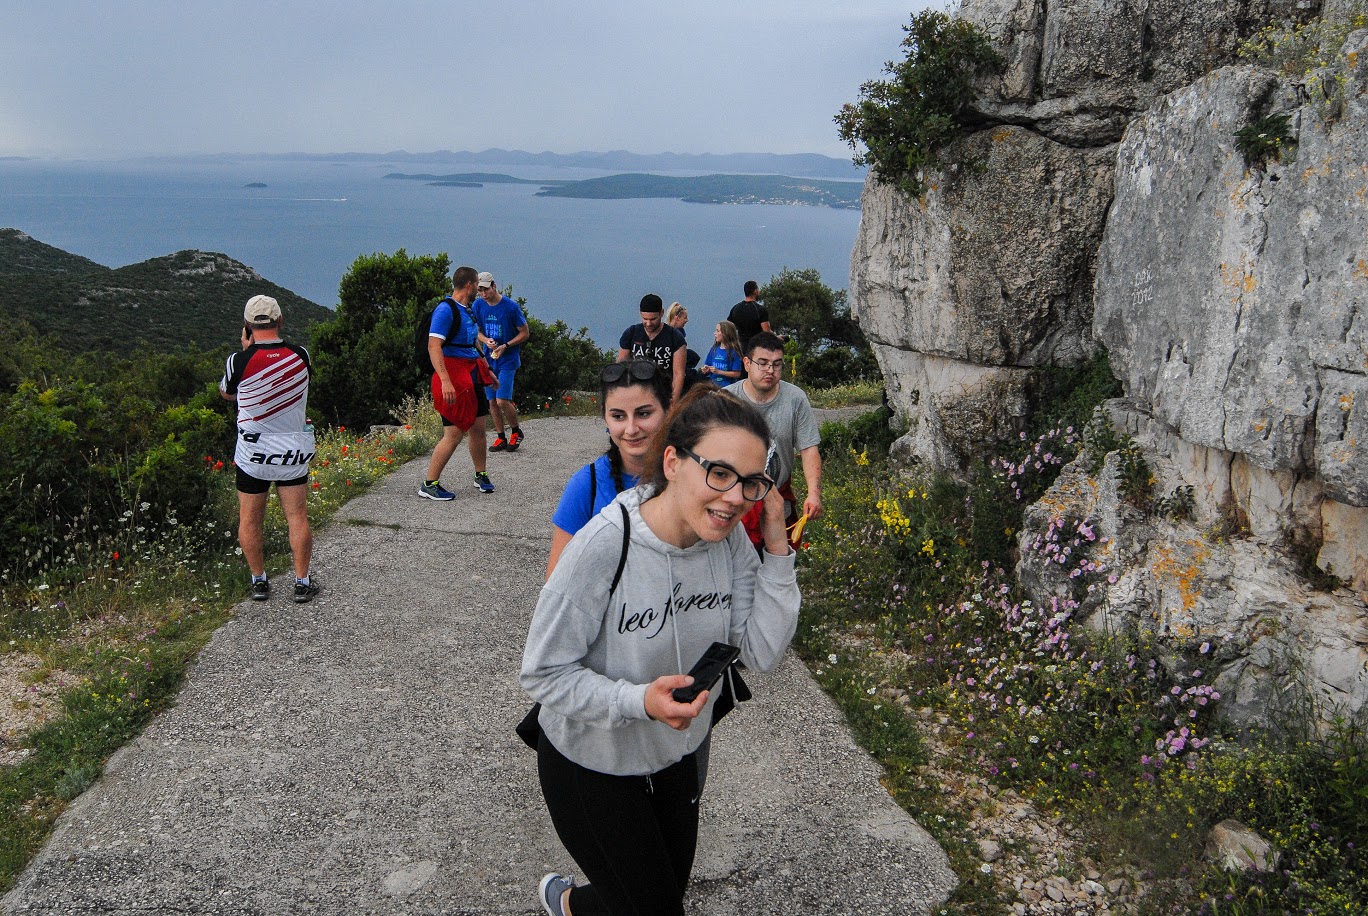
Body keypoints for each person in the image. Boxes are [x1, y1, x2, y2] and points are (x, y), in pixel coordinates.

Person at [523, 386, 799, 916]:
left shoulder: (730, 543)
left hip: (676, 755)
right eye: (718, 473)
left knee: (657, 896)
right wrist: (639, 701)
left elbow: (762, 652)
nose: (734, 497)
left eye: (751, 483)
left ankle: (572, 905)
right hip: (592, 763)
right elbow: (543, 673)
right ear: (672, 461)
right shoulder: (605, 545)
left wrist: (777, 547)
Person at [219, 295, 319, 603]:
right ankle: (302, 582)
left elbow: (228, 394)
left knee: (250, 519)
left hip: (254, 452)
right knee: (297, 516)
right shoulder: (300, 355)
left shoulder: (238, 360)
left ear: (247, 326)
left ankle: (259, 581)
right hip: (292, 449)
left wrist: (247, 352)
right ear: (280, 321)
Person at [546, 359, 673, 577]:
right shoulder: (587, 485)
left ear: (669, 410)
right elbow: (557, 580)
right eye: (618, 416)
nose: (631, 429)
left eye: (644, 414)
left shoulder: (690, 477)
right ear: (604, 417)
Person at [724, 331, 822, 547]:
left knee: (779, 564)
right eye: (763, 363)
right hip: (733, 498)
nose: (770, 370)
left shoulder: (795, 399)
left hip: (778, 497)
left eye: (777, 364)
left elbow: (809, 448)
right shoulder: (726, 400)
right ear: (747, 363)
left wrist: (813, 494)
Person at [419, 266, 497, 499]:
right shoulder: (445, 310)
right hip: (453, 377)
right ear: (470, 285)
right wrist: (445, 381)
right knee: (453, 433)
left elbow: (472, 344)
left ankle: (480, 474)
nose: (479, 290)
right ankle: (429, 484)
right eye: (477, 285)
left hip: (472, 374)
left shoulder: (467, 310)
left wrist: (487, 370)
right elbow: (434, 347)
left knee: (478, 428)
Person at [474, 271, 530, 453]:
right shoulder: (478, 306)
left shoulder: (510, 307)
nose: (483, 294)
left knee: (501, 400)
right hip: (489, 359)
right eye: (480, 290)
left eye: (486, 289)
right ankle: (500, 437)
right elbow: (477, 331)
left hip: (508, 359)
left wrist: (506, 345)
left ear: (494, 286)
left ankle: (516, 431)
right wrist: (485, 341)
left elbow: (524, 333)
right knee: (491, 402)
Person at [617, 293, 685, 404]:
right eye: (645, 319)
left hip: (663, 395)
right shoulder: (631, 333)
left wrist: (673, 402)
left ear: (662, 313)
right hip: (636, 393)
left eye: (653, 319)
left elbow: (679, 373)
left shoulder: (675, 337)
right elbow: (621, 366)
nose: (648, 323)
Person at [726, 279, 772, 353]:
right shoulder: (760, 310)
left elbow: (728, 328)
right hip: (756, 347)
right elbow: (767, 332)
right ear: (755, 291)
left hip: (740, 348)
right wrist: (777, 338)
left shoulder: (735, 308)